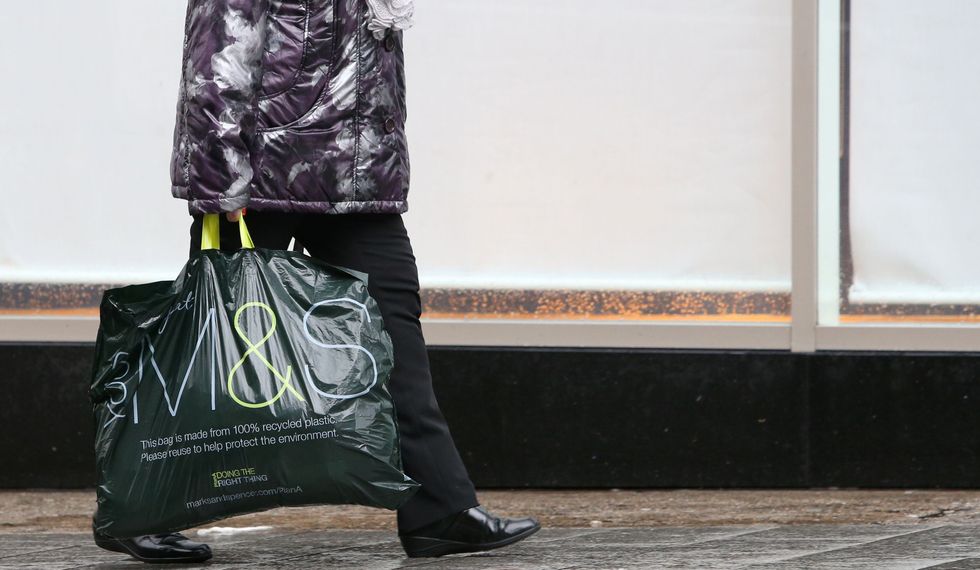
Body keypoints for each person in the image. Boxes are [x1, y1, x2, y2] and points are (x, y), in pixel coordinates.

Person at [93, 0, 539, 563]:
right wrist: (222, 174)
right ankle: (138, 508)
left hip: (356, 182)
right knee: (208, 342)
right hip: (261, 177)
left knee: (394, 333)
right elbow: (216, 55)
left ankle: (441, 511)